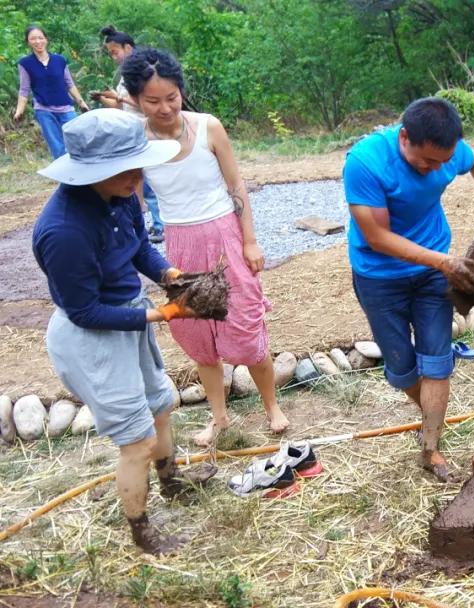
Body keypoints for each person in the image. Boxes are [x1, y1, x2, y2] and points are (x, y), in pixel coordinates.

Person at [32, 109, 216, 555]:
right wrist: (164, 314)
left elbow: (137, 249)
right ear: (93, 170)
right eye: (129, 168)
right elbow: (85, 312)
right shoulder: (63, 231)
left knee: (159, 404)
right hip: (92, 337)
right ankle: (143, 530)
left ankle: (171, 481)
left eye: (139, 164)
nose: (139, 176)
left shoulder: (121, 193)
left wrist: (169, 273)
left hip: (130, 316)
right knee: (136, 441)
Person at [344, 97, 474, 481]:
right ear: (404, 137)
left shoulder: (447, 150)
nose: (436, 170)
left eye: (443, 162)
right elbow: (377, 237)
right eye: (427, 162)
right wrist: (442, 262)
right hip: (380, 277)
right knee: (403, 370)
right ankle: (430, 415)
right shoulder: (366, 163)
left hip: (430, 276)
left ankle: (431, 448)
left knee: (437, 361)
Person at [122, 48, 289, 447]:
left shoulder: (208, 127)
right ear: (133, 99)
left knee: (247, 328)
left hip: (225, 237)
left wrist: (249, 240)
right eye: (153, 101)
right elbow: (132, 195)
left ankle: (271, 406)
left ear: (181, 91)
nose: (165, 108)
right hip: (178, 245)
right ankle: (219, 417)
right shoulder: (136, 140)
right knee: (198, 336)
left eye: (172, 97)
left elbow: (236, 185)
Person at [96, 25, 165, 243]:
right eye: (111, 53)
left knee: (150, 183)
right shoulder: (124, 77)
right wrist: (102, 99)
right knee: (136, 184)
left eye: (115, 51)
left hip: (147, 134)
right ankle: (142, 227)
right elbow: (121, 108)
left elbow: (146, 104)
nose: (114, 56)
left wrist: (119, 98)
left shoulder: (145, 72)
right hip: (131, 136)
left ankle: (160, 225)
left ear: (128, 48)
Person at [13, 25, 91, 159]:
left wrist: (81, 102)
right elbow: (24, 89)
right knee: (58, 148)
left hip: (66, 108)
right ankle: (64, 180)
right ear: (28, 42)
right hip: (44, 110)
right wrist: (19, 111)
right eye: (33, 39)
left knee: (77, 143)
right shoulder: (25, 63)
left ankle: (82, 178)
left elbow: (69, 84)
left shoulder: (59, 60)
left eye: (40, 38)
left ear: (46, 39)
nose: (38, 42)